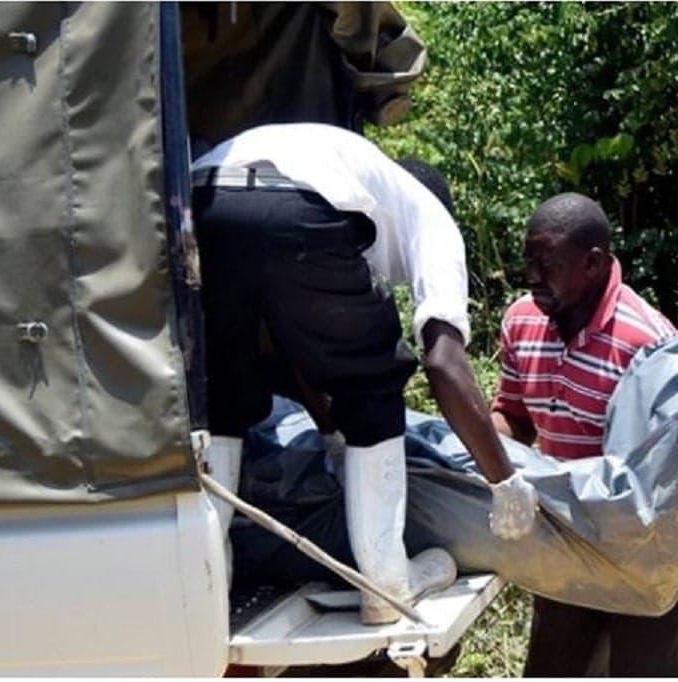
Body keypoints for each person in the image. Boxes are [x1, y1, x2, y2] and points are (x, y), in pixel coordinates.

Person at [189, 122, 538, 624]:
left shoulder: (357, 178)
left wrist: (333, 434)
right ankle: (387, 584)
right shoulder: (432, 217)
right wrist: (504, 482)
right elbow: (443, 362)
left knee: (223, 400)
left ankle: (205, 588)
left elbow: (300, 347)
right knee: (375, 386)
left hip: (204, 201)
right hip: (295, 205)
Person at [491, 193, 678, 677]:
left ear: (593, 264)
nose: (533, 277)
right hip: (573, 528)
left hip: (661, 539)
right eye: (528, 263)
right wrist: (493, 467)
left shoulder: (648, 345)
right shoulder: (522, 321)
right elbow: (512, 415)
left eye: (548, 264)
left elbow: (660, 488)